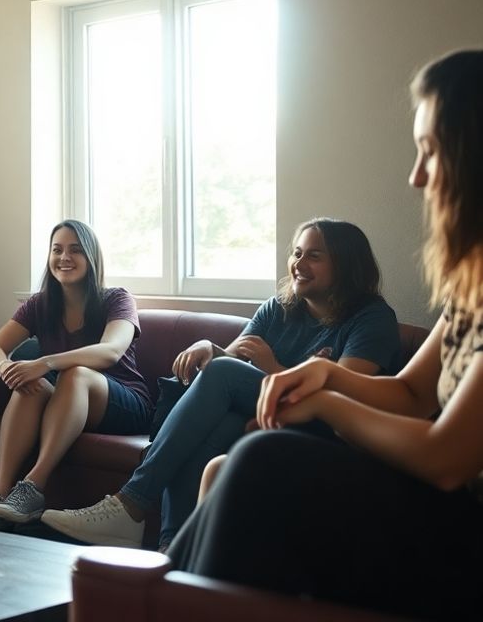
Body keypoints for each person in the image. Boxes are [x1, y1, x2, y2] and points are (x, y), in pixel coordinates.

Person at [164, 49, 483, 619]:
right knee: (243, 461)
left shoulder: (371, 317)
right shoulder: (469, 290)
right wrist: (325, 372)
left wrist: (328, 402)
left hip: (465, 525)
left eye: (430, 152)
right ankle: (155, 598)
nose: (415, 177)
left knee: (263, 460)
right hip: (441, 502)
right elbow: (412, 394)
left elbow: (446, 459)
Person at [41, 218, 399, 550]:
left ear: (346, 264)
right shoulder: (279, 308)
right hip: (263, 413)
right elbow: (233, 361)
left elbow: (348, 392)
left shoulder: (370, 318)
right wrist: (208, 348)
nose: (298, 264)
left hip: (326, 425)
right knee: (216, 422)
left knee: (222, 377)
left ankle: (131, 504)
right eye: (297, 253)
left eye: (314, 256)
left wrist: (272, 367)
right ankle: (173, 552)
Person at [0, 219, 151, 529]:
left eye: (75, 250)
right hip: (70, 398)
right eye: (57, 250)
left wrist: (47, 362)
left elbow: (110, 352)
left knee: (75, 373)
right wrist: (5, 367)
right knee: (32, 384)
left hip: (123, 401)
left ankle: (33, 486)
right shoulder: (40, 304)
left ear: (91, 258)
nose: (64, 258)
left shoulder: (117, 299)